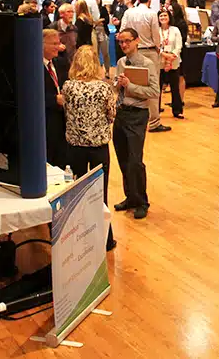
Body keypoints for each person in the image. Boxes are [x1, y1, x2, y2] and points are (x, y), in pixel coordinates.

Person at [61, 45, 117, 250]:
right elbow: (111, 115)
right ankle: (105, 239)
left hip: (74, 146)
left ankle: (76, 236)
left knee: (75, 193)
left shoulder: (68, 86)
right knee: (99, 194)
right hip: (98, 147)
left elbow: (66, 111)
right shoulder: (103, 88)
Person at [112, 28, 160, 220]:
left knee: (135, 160)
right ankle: (130, 197)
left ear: (137, 41)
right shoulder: (121, 62)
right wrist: (117, 85)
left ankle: (142, 201)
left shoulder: (147, 64)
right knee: (123, 158)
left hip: (137, 115)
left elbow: (154, 91)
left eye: (127, 41)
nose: (124, 45)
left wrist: (129, 86)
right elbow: (118, 87)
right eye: (121, 42)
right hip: (121, 113)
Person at [120, 0, 169, 133]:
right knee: (153, 85)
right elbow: (156, 34)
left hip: (131, 51)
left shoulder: (128, 13)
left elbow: (122, 31)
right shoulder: (151, 13)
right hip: (149, 50)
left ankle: (131, 115)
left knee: (131, 83)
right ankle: (154, 122)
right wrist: (159, 49)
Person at [38, 29, 69, 169]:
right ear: (42, 44)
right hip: (45, 123)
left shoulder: (62, 63)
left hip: (64, 123)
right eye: (54, 43)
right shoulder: (33, 68)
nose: (59, 46)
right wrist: (53, 100)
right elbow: (31, 96)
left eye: (59, 43)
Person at [158, 10, 183, 119]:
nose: (163, 17)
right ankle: (156, 110)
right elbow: (155, 46)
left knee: (175, 87)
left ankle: (177, 110)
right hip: (159, 62)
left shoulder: (175, 30)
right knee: (157, 88)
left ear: (169, 17)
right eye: (161, 16)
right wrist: (164, 55)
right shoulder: (156, 30)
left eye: (165, 15)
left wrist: (171, 57)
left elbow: (179, 46)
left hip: (174, 62)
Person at [167, 0, 190, 105]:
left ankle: (180, 100)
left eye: (171, 10)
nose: (169, 12)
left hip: (180, 52)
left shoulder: (181, 23)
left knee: (180, 76)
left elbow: (183, 39)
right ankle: (175, 100)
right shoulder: (170, 24)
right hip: (170, 53)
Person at [94, 0, 111, 69]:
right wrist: (98, 21)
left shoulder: (103, 8)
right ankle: (96, 70)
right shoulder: (91, 9)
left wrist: (100, 20)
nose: (97, 0)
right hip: (94, 32)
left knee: (105, 53)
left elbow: (106, 20)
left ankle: (107, 70)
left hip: (103, 31)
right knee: (95, 53)